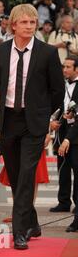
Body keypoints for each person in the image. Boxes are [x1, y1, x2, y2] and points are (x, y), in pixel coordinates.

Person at [0, 3, 64, 250]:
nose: (30, 26)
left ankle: (19, 232)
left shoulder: (47, 53)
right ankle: (32, 221)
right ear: (13, 25)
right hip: (9, 121)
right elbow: (1, 85)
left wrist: (45, 118)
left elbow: (57, 91)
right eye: (24, 22)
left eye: (33, 22)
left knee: (25, 177)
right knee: (14, 175)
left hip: (34, 123)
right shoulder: (0, 52)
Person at [50, 56, 78, 213]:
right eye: (64, 66)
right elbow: (58, 107)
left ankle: (77, 205)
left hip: (76, 133)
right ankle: (63, 201)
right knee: (63, 167)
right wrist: (53, 121)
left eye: (68, 67)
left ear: (76, 69)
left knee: (76, 167)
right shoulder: (62, 85)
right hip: (62, 131)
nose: (65, 69)